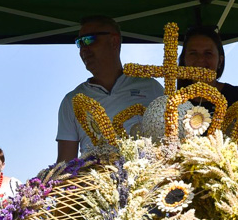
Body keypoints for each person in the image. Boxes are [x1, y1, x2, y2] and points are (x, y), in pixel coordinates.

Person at [56, 16, 164, 162]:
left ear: (114, 41)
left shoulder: (151, 87)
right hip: (96, 182)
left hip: (148, 180)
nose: (83, 49)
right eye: (79, 43)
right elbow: (65, 165)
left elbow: (170, 141)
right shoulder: (72, 101)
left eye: (89, 39)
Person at [178, 25, 238, 124]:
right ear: (184, 60)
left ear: (220, 61)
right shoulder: (174, 102)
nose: (200, 59)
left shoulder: (237, 96)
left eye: (208, 53)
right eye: (193, 53)